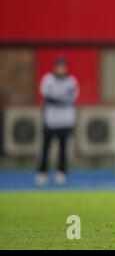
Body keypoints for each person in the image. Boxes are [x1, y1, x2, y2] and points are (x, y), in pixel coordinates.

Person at [36, 57, 79, 186]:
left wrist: (58, 100)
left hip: (65, 120)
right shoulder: (48, 80)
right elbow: (47, 96)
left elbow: (71, 98)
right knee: (46, 147)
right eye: (59, 66)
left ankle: (61, 172)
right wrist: (61, 100)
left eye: (63, 66)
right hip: (51, 120)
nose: (61, 69)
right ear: (55, 67)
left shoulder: (71, 82)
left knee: (63, 148)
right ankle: (42, 172)